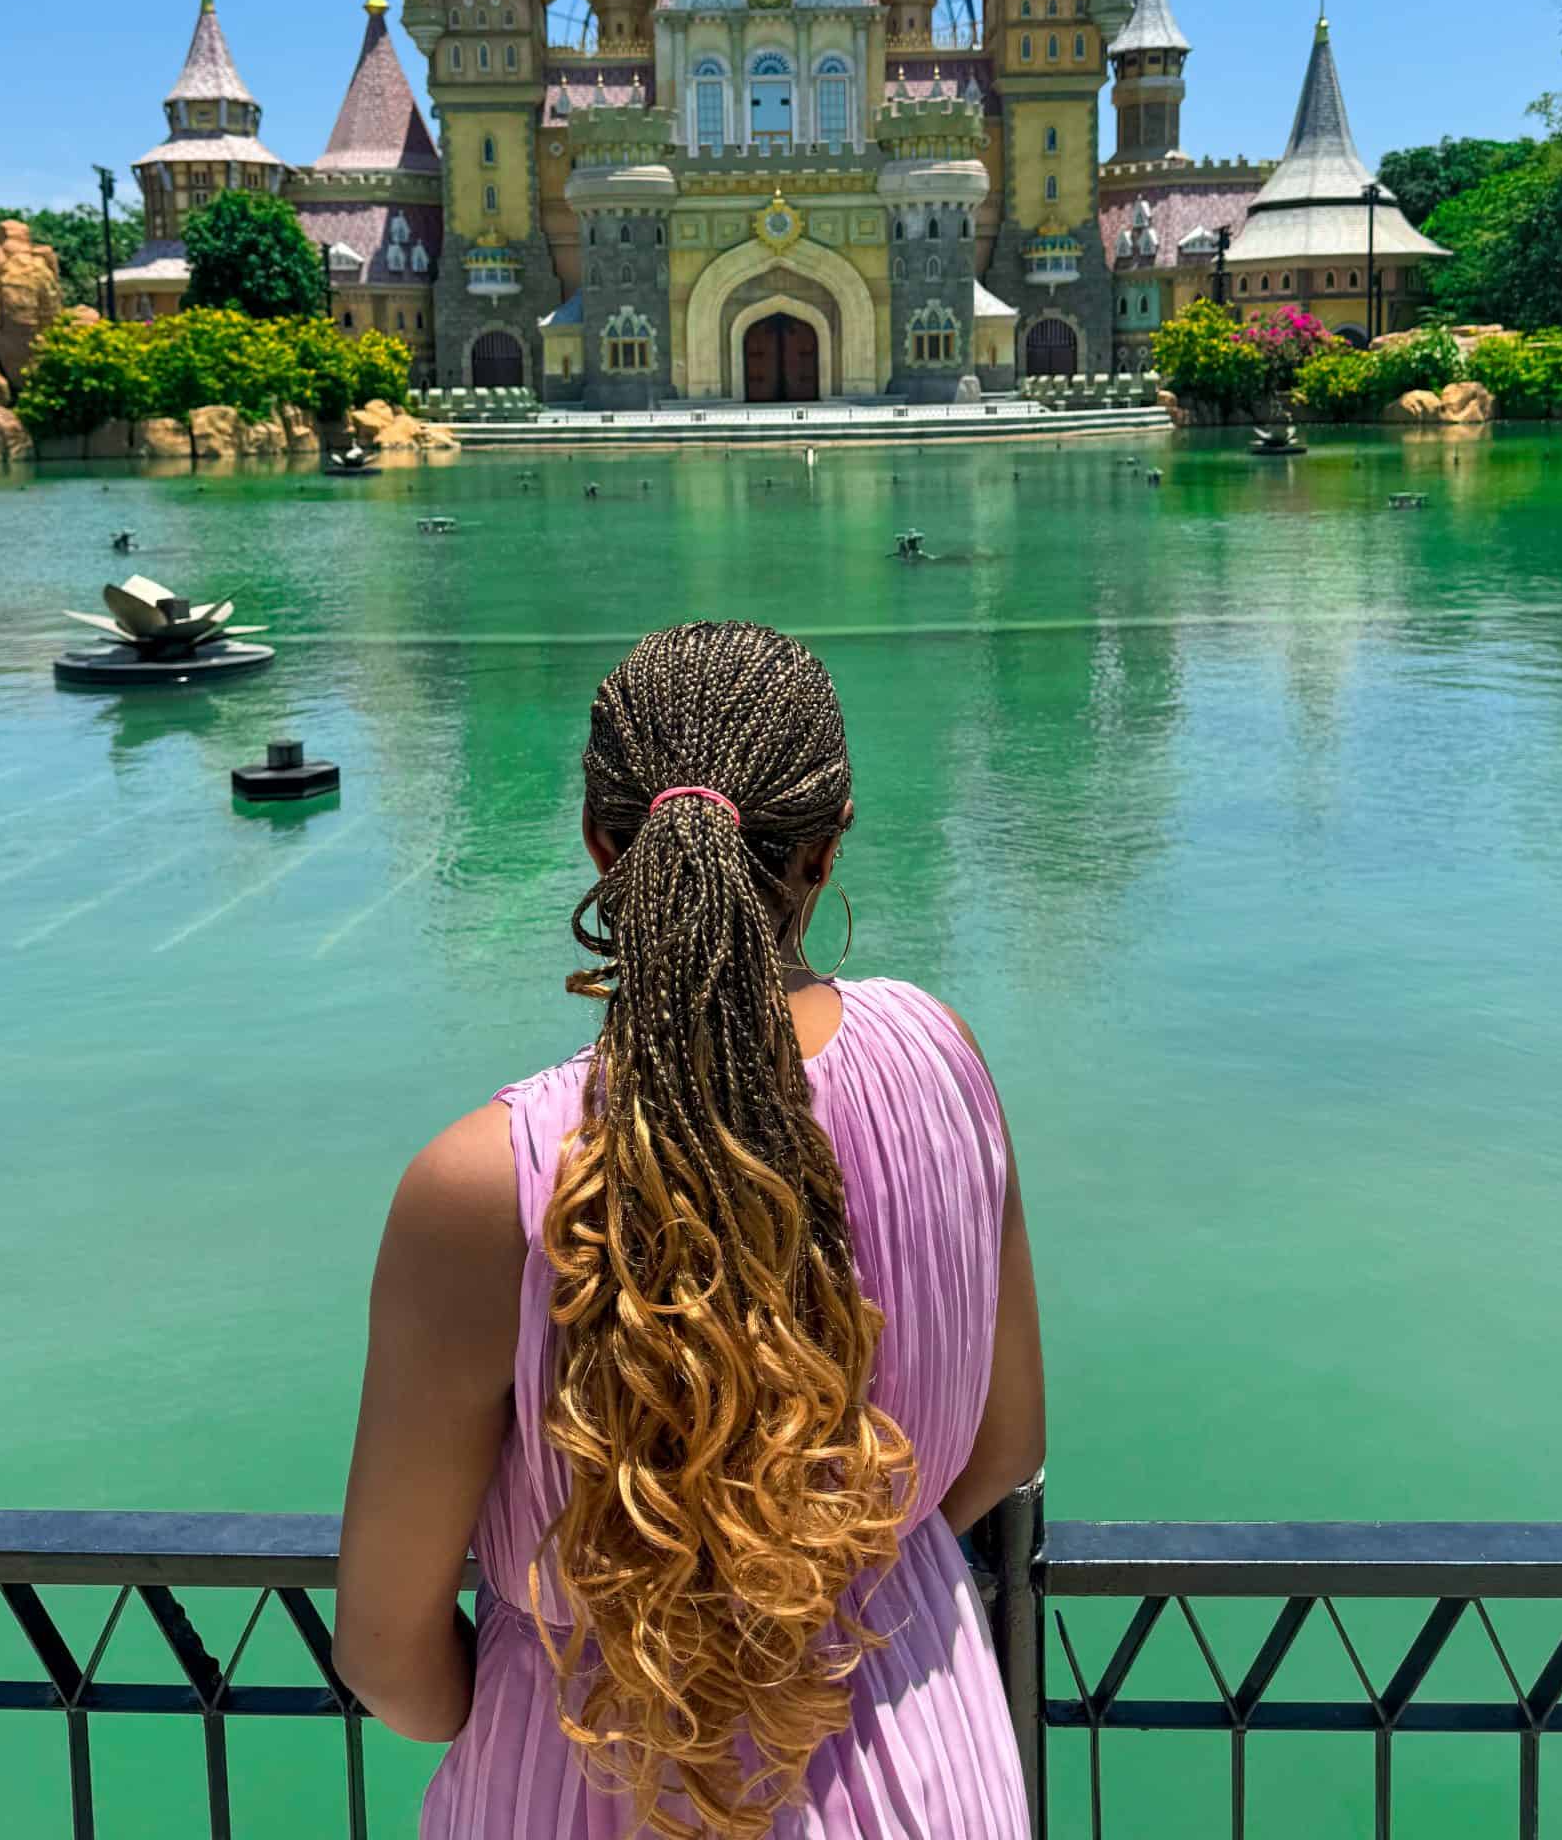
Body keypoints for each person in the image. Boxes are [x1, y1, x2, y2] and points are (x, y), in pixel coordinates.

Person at [336, 619, 1043, 1837]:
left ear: (604, 846)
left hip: (590, 1773)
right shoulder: (943, 1054)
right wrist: (825, 1592)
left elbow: (388, 1650)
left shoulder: (483, 1185)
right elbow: (1000, 1448)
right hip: (921, 1750)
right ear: (827, 848)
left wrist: (550, 1671)